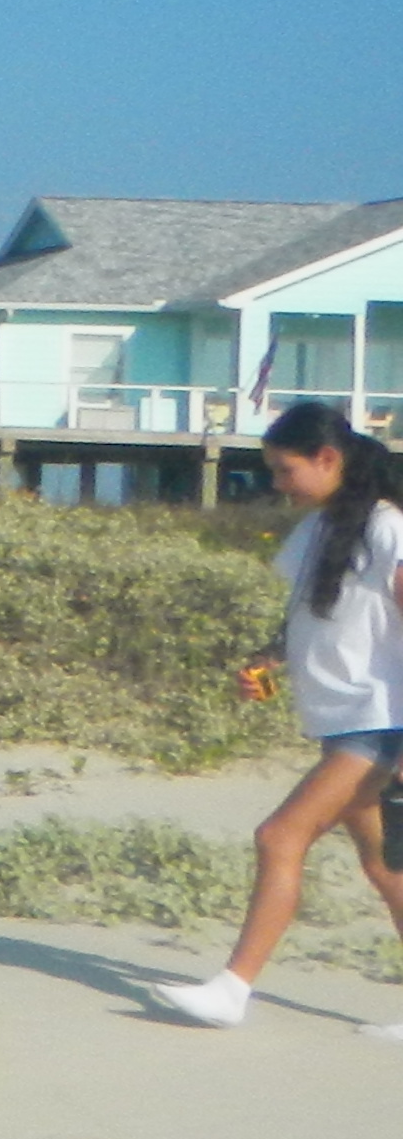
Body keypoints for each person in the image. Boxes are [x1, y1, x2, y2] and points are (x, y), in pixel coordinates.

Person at [152, 398, 403, 1037]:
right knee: (385, 865)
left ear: (328, 459)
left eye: (286, 471)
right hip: (343, 720)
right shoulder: (318, 529)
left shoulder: (386, 526)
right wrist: (268, 659)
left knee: (279, 837)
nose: (278, 484)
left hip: (382, 723)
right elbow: (313, 619)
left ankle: (233, 989)